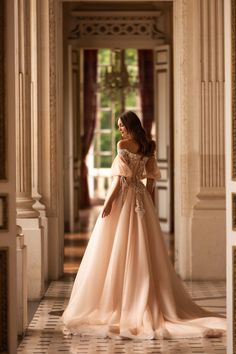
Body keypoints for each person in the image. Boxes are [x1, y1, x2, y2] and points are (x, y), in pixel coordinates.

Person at [62, 111, 226, 339]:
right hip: (141, 199)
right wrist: (149, 202)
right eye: (118, 126)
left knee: (117, 246)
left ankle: (121, 300)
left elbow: (120, 180)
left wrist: (108, 204)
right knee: (142, 246)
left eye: (121, 125)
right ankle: (141, 295)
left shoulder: (123, 144)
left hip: (124, 198)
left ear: (129, 125)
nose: (119, 129)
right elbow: (150, 180)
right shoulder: (148, 145)